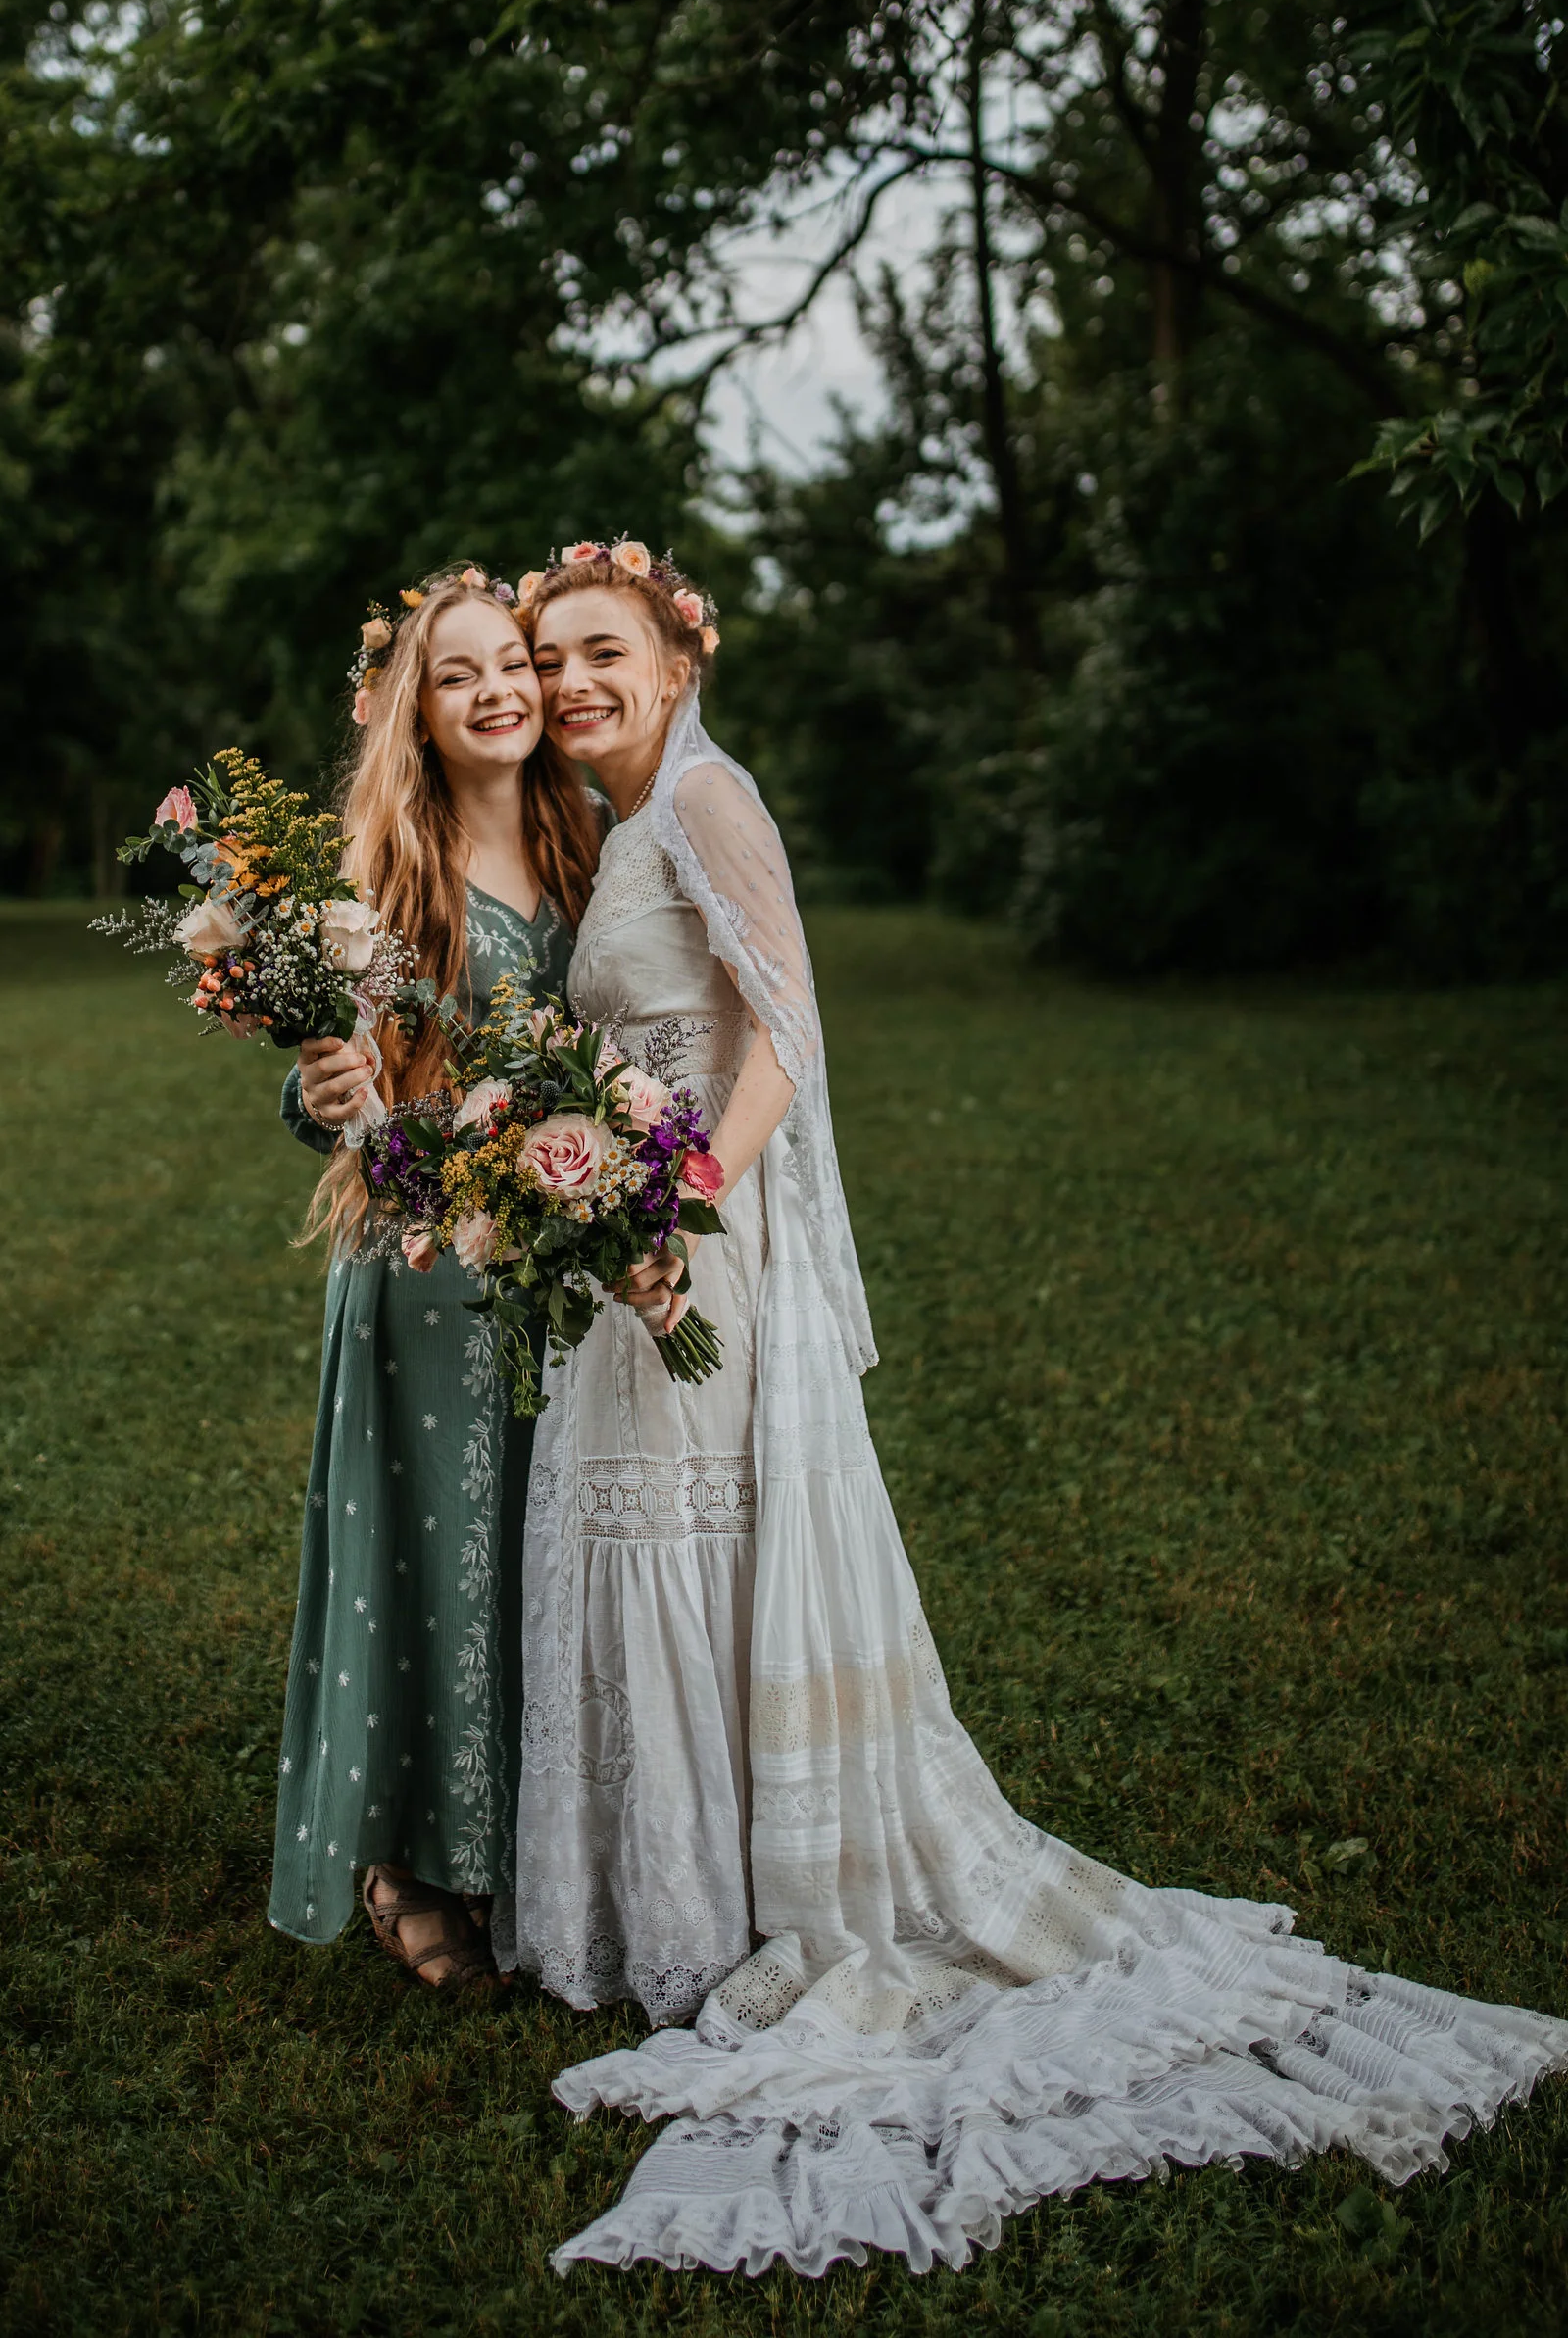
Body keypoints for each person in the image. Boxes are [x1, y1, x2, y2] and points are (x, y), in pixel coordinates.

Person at [511, 535, 1568, 2275]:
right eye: (549, 658)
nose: (566, 683)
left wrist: (679, 1201)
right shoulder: (629, 821)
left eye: (597, 649)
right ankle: (667, 1905)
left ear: (677, 655)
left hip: (702, 1232)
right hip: (644, 1229)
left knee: (699, 1546)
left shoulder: (706, 803)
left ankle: (735, 1914)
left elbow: (787, 1029)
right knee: (663, 1548)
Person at [269, 567, 600, 1997]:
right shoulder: (385, 871)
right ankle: (404, 1859)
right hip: (417, 1275)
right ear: (418, 707)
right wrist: (315, 1083)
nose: (497, 691)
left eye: (512, 663)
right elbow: (325, 1082)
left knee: (534, 1564)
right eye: (458, 673)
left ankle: (527, 1852)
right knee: (429, 1565)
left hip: (550, 1277)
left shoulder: (587, 846)